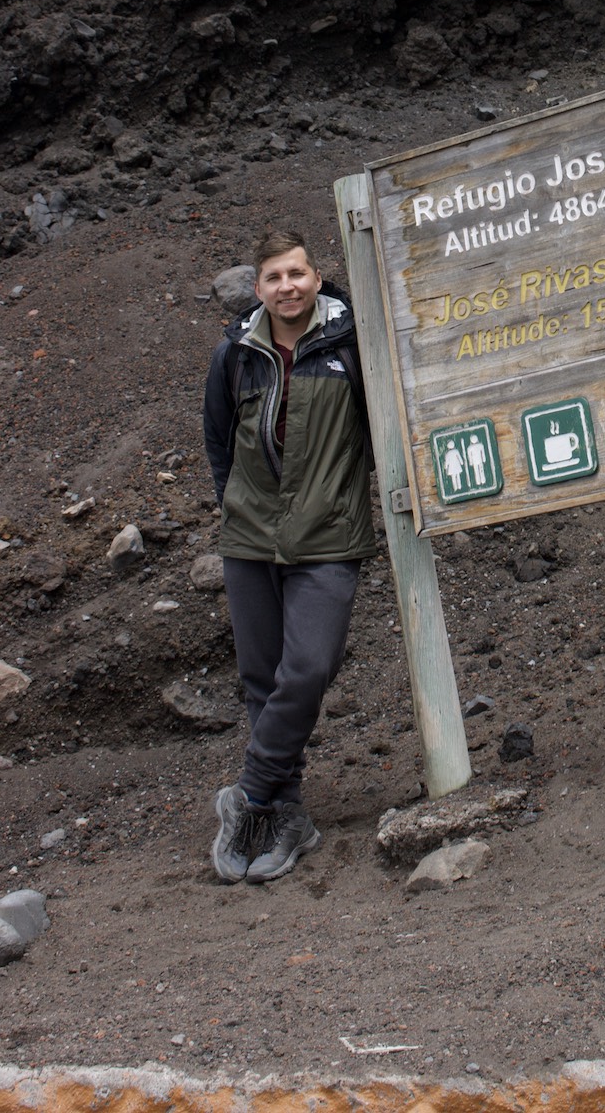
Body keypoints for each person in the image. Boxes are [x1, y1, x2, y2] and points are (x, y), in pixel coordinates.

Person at [202, 229, 374, 883]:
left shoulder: (350, 341)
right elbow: (219, 437)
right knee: (263, 679)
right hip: (249, 538)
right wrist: (235, 506)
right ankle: (287, 815)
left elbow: (377, 424)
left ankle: (246, 798)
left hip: (328, 534)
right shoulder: (236, 351)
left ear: (315, 273)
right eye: (274, 277)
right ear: (259, 286)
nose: (288, 287)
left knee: (307, 667)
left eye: (297, 273)